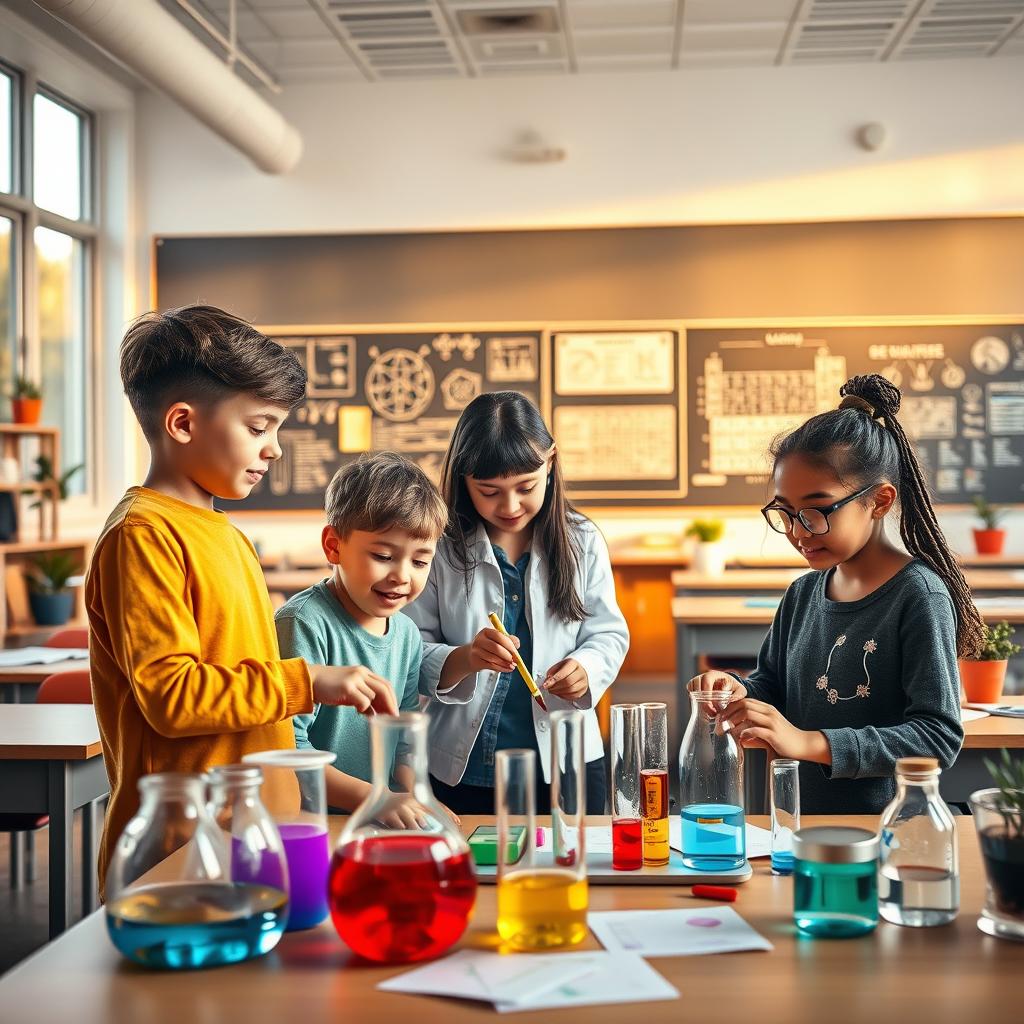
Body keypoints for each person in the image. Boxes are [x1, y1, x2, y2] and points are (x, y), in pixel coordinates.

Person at [87, 305, 397, 891]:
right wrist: (307, 681)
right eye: (258, 427)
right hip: (184, 856)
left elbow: (236, 676)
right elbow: (173, 696)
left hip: (256, 833)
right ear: (182, 423)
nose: (274, 448)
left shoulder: (225, 534)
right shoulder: (143, 535)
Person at [691, 374, 981, 812]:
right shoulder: (803, 593)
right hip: (801, 823)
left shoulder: (919, 595)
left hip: (885, 831)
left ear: (880, 501)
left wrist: (810, 743)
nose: (796, 531)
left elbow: (937, 738)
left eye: (815, 511)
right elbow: (772, 683)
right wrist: (737, 691)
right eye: (785, 513)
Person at [404, 391, 629, 815]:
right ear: (461, 479)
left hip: (568, 762)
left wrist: (586, 668)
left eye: (525, 487)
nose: (509, 506)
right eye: (488, 491)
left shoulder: (581, 540)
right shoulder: (440, 548)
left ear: (551, 463)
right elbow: (409, 645)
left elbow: (608, 633)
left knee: (572, 866)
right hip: (464, 769)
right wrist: (465, 657)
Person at [276, 452, 454, 825]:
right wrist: (376, 799)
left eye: (420, 562)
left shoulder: (405, 632)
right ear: (334, 546)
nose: (402, 576)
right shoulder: (303, 622)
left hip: (376, 817)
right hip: (312, 824)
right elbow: (289, 751)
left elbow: (402, 739)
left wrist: (417, 800)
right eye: (383, 555)